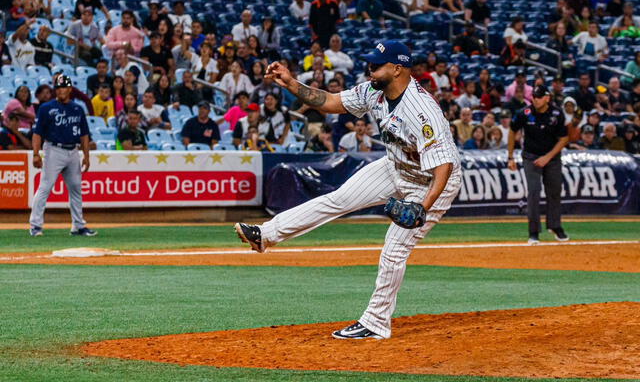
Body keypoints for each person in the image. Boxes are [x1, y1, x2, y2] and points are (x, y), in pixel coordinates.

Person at [234, 40, 462, 340]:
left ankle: (376, 323)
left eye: (376, 64)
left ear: (397, 69)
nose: (369, 67)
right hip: (396, 166)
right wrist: (290, 82)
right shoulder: (373, 91)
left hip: (431, 182)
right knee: (337, 199)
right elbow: (330, 101)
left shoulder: (422, 111)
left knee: (394, 249)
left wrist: (422, 207)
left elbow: (443, 166)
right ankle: (266, 236)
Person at [29, 74, 95, 237]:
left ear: (70, 89)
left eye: (64, 87)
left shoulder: (77, 109)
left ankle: (78, 226)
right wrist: (36, 154)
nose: (61, 90)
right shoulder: (46, 108)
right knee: (45, 187)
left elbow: (84, 134)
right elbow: (37, 133)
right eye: (58, 87)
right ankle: (35, 226)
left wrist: (86, 156)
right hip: (54, 150)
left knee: (76, 188)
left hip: (73, 151)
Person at [508, 85, 569, 245]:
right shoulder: (525, 113)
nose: (535, 99)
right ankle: (533, 232)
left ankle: (555, 226)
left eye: (539, 96)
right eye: (534, 96)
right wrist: (510, 157)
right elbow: (512, 130)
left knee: (555, 191)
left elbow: (564, 139)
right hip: (531, 157)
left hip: (552, 157)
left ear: (547, 98)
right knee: (534, 192)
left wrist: (547, 157)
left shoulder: (556, 114)